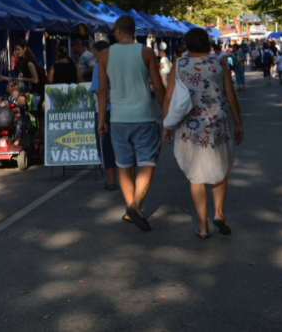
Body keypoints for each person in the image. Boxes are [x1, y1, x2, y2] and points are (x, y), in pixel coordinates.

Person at [162, 28, 244, 239]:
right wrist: (238, 124)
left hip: (189, 127)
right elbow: (231, 97)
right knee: (220, 169)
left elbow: (169, 98)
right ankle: (218, 213)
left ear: (186, 44)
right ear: (207, 43)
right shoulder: (219, 63)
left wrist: (166, 125)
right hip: (217, 124)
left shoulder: (179, 65)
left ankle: (203, 226)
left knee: (196, 176)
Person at [97, 16, 166, 232]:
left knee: (124, 166)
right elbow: (158, 86)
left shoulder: (105, 55)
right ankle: (136, 205)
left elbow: (101, 92)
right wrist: (167, 117)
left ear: (117, 30)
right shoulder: (146, 52)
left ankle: (132, 208)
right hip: (144, 116)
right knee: (147, 162)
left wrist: (101, 120)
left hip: (117, 118)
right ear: (133, 31)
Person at [90, 41, 116, 190]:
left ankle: (112, 180)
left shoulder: (99, 66)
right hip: (120, 109)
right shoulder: (118, 64)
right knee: (121, 145)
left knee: (105, 145)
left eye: (94, 52)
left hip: (104, 110)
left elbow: (98, 91)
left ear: (101, 52)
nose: (93, 55)